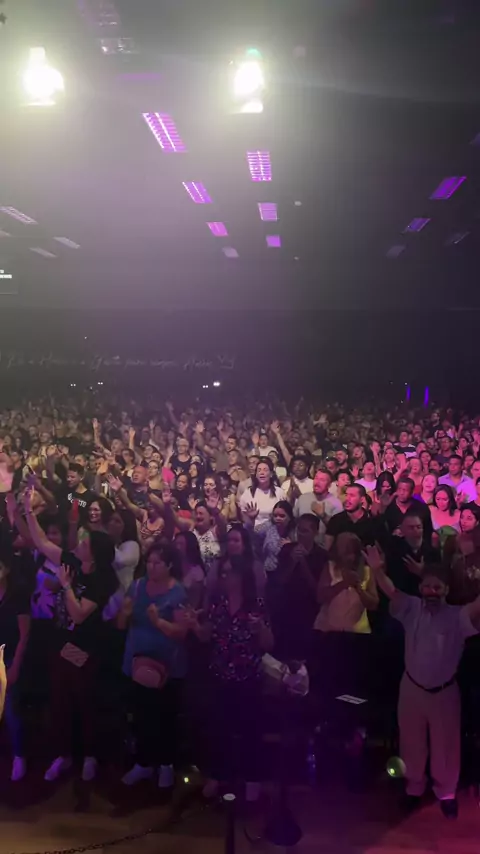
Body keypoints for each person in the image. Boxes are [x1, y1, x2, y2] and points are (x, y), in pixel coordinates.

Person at [370, 552, 480, 819]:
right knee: (411, 742)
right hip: (411, 688)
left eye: (437, 587)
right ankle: (414, 788)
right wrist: (376, 570)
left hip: (445, 692)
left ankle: (447, 793)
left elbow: (477, 607)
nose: (432, 592)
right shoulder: (411, 607)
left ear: (446, 590)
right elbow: (390, 590)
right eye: (428, 586)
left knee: (446, 746)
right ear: (421, 588)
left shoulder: (458, 616)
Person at [23, 487, 118, 783]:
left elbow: (78, 614)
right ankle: (62, 756)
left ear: (95, 554)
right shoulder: (72, 562)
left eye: (85, 543)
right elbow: (41, 541)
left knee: (84, 702)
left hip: (86, 648)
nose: (79, 543)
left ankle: (89, 757)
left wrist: (65, 586)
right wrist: (28, 510)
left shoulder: (103, 578)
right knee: (60, 701)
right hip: (61, 643)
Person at [185, 549, 274, 802]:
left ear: (240, 575)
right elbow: (207, 636)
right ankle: (217, 776)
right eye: (222, 573)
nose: (223, 577)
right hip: (221, 674)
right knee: (219, 730)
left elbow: (269, 644)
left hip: (248, 676)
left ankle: (252, 780)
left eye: (227, 573)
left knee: (250, 731)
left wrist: (260, 629)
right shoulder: (218, 604)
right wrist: (194, 625)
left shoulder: (256, 605)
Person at [119, 543, 188, 788]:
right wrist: (124, 613)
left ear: (169, 565)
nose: (151, 566)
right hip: (137, 663)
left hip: (166, 666)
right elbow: (120, 624)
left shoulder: (178, 592)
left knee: (164, 717)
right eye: (149, 561)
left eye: (157, 563)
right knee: (141, 716)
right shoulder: (137, 586)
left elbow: (181, 632)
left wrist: (158, 622)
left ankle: (166, 765)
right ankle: (144, 764)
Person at [270, 514, 328, 661]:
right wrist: (292, 561)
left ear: (315, 532)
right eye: (299, 530)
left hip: (309, 613)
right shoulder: (287, 550)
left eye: (305, 531)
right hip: (286, 610)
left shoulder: (322, 556)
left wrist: (302, 562)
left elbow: (317, 590)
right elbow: (279, 581)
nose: (300, 534)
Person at [0, 551, 31, 781]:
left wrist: (16, 666)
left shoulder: (17, 594)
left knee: (12, 709)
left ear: (7, 569)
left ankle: (19, 756)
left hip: (9, 655)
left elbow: (24, 634)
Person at [325, 484, 380, 550]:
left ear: (362, 499)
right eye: (346, 495)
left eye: (352, 495)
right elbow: (327, 549)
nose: (347, 499)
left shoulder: (372, 522)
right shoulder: (335, 520)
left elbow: (380, 551)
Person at [239, 459, 286, 530]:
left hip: (274, 530)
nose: (262, 472)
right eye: (259, 470)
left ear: (271, 474)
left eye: (265, 470)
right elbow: (244, 519)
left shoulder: (279, 492)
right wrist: (251, 518)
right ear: (256, 475)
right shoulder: (248, 493)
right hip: (253, 530)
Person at [382, 477, 433, 541]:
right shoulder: (388, 508)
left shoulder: (421, 508)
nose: (401, 493)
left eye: (405, 490)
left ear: (412, 492)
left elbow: (428, 532)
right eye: (399, 489)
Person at [174, 531, 205, 608]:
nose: (177, 547)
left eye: (181, 544)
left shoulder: (197, 573)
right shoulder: (171, 566)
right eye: (176, 544)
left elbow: (195, 603)